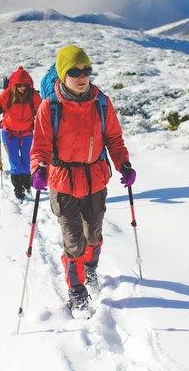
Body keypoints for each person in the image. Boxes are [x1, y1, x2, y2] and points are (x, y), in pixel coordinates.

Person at [30, 45, 137, 311]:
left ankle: (91, 268)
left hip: (96, 180)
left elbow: (113, 138)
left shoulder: (101, 102)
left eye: (86, 70)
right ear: (62, 74)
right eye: (74, 71)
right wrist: (37, 168)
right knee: (74, 241)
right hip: (63, 182)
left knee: (94, 235)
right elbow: (40, 145)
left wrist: (124, 164)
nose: (82, 76)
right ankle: (76, 290)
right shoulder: (49, 107)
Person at [0, 66, 42, 201]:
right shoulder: (7, 95)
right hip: (9, 133)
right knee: (15, 161)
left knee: (26, 160)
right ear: (14, 85)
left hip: (27, 132)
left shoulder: (33, 96)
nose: (23, 88)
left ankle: (26, 184)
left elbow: (42, 111)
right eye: (19, 85)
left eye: (25, 85)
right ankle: (18, 188)